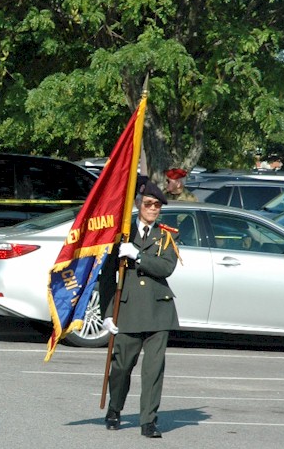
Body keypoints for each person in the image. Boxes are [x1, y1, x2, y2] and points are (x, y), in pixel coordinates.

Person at [98, 180, 180, 438]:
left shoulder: (167, 236)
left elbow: (166, 268)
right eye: (148, 204)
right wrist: (107, 313)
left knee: (153, 370)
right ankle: (115, 409)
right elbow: (106, 277)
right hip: (128, 310)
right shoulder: (121, 234)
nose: (153, 209)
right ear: (138, 204)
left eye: (157, 205)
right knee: (121, 366)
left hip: (158, 310)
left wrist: (138, 256)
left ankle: (149, 421)